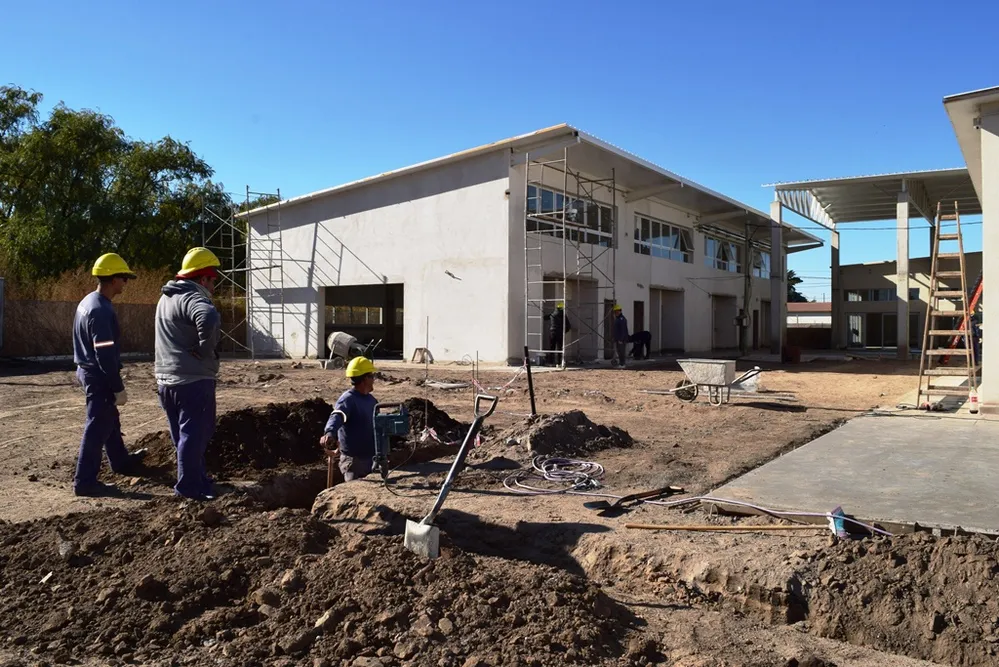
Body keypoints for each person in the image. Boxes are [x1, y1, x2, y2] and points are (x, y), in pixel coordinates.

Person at [72, 253, 147, 496]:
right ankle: (85, 482)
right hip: (99, 375)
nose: (126, 283)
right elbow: (104, 354)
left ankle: (120, 461)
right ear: (114, 279)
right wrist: (117, 386)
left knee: (109, 419)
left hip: (87, 370)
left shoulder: (88, 301)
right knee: (97, 426)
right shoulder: (100, 310)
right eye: (124, 278)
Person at [154, 247, 222, 500]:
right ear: (202, 278)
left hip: (166, 380)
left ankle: (197, 479)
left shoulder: (166, 298)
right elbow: (208, 316)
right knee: (195, 435)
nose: (213, 287)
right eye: (212, 281)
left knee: (183, 437)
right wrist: (205, 349)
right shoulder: (193, 297)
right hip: (192, 381)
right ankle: (188, 489)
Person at [320, 356, 379, 481]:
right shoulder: (348, 399)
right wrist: (330, 432)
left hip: (371, 458)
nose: (374, 380)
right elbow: (337, 415)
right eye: (372, 376)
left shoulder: (372, 401)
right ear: (365, 379)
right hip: (354, 461)